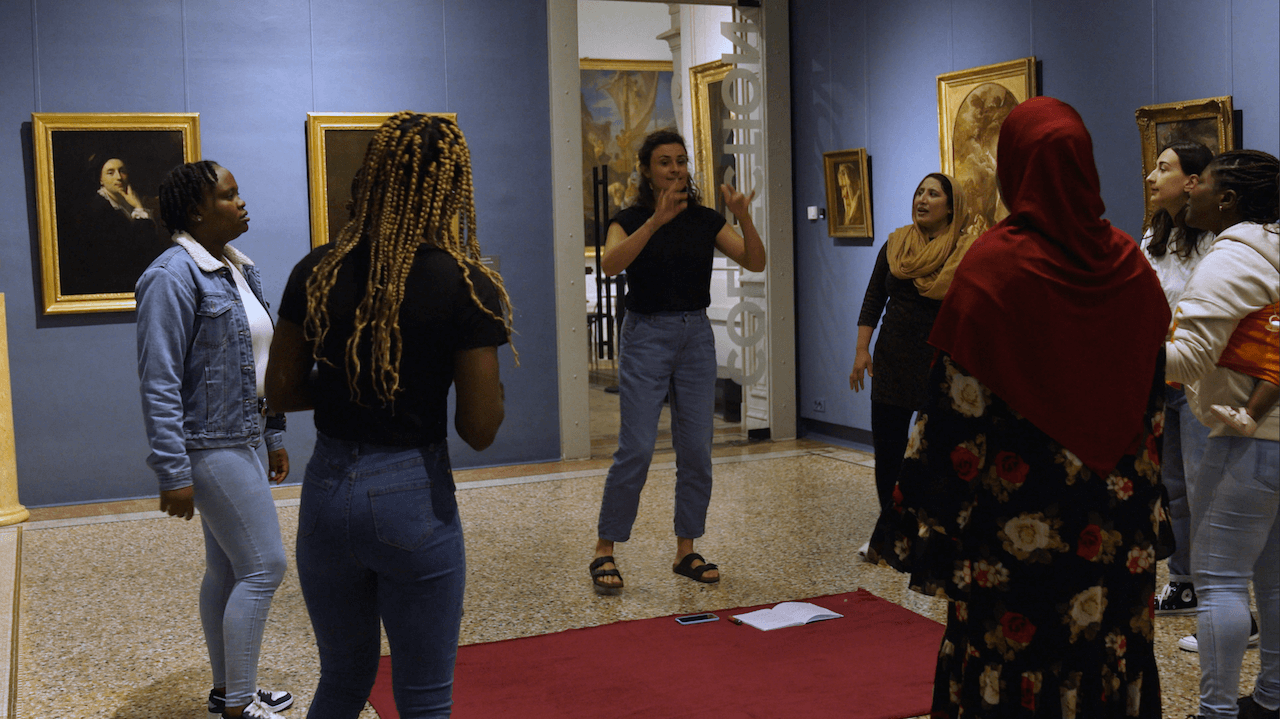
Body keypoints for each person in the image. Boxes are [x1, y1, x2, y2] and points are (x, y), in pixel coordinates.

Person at [868, 97, 1172, 716]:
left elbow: (953, 415)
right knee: (1103, 658)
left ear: (1014, 169)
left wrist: (921, 522)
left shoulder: (993, 269)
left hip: (1011, 529)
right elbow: (1151, 409)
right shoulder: (1130, 268)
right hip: (1109, 526)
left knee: (1010, 667)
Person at [265, 112, 512, 719]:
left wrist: (354, 381)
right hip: (412, 492)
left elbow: (281, 389)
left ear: (371, 177)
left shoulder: (315, 269)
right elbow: (479, 430)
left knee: (344, 679)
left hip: (326, 489)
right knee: (424, 699)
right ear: (450, 187)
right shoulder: (467, 283)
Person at [136, 161, 294, 719]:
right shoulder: (170, 276)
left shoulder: (236, 269)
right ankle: (239, 704)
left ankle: (228, 689)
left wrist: (273, 433)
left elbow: (259, 364)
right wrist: (172, 473)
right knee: (265, 566)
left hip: (245, 434)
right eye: (230, 196)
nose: (242, 202)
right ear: (197, 210)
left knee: (228, 568)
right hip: (208, 444)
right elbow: (159, 382)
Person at [589, 129, 766, 593]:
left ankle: (686, 549)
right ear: (647, 171)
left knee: (696, 451)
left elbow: (755, 261)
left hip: (695, 335)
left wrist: (745, 218)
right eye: (665, 162)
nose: (675, 169)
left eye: (681, 161)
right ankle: (605, 549)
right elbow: (610, 265)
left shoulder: (705, 219)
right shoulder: (627, 219)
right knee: (638, 449)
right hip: (647, 335)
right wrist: (655, 222)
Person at [1167, 148, 1278, 719]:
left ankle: (1215, 713)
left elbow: (1186, 360)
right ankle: (1272, 698)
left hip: (1246, 439)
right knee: (1275, 580)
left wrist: (1108, 349)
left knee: (1220, 581)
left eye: (1201, 182)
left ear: (1229, 199)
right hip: (1274, 437)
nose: (1189, 189)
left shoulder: (1233, 257)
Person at [849, 172, 976, 515]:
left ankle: (929, 526)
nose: (922, 199)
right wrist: (862, 351)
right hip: (891, 359)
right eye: (919, 192)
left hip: (939, 362)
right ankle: (887, 527)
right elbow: (873, 299)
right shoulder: (895, 244)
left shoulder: (964, 252)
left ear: (951, 208)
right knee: (888, 450)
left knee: (935, 450)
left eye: (933, 194)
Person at [1140, 140, 1216, 616]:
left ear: (1191, 181)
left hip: (1200, 378)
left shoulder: (1215, 240)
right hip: (1159, 376)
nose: (1151, 176)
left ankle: (1219, 594)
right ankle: (1184, 582)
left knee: (1203, 485)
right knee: (1171, 486)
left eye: (1163, 168)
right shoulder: (1153, 236)